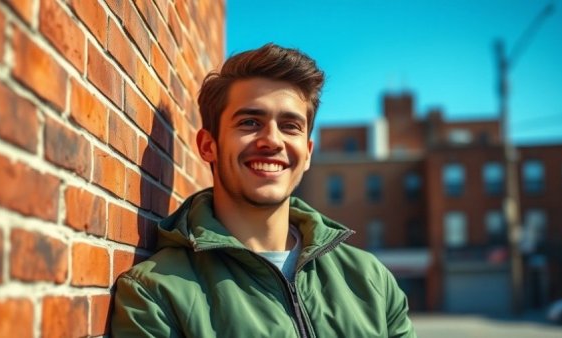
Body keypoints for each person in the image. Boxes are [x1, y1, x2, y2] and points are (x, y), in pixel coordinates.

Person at [112, 43, 416, 337]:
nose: (272, 140)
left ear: (308, 153)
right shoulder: (156, 293)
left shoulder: (371, 280)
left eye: (290, 126)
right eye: (249, 122)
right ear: (208, 146)